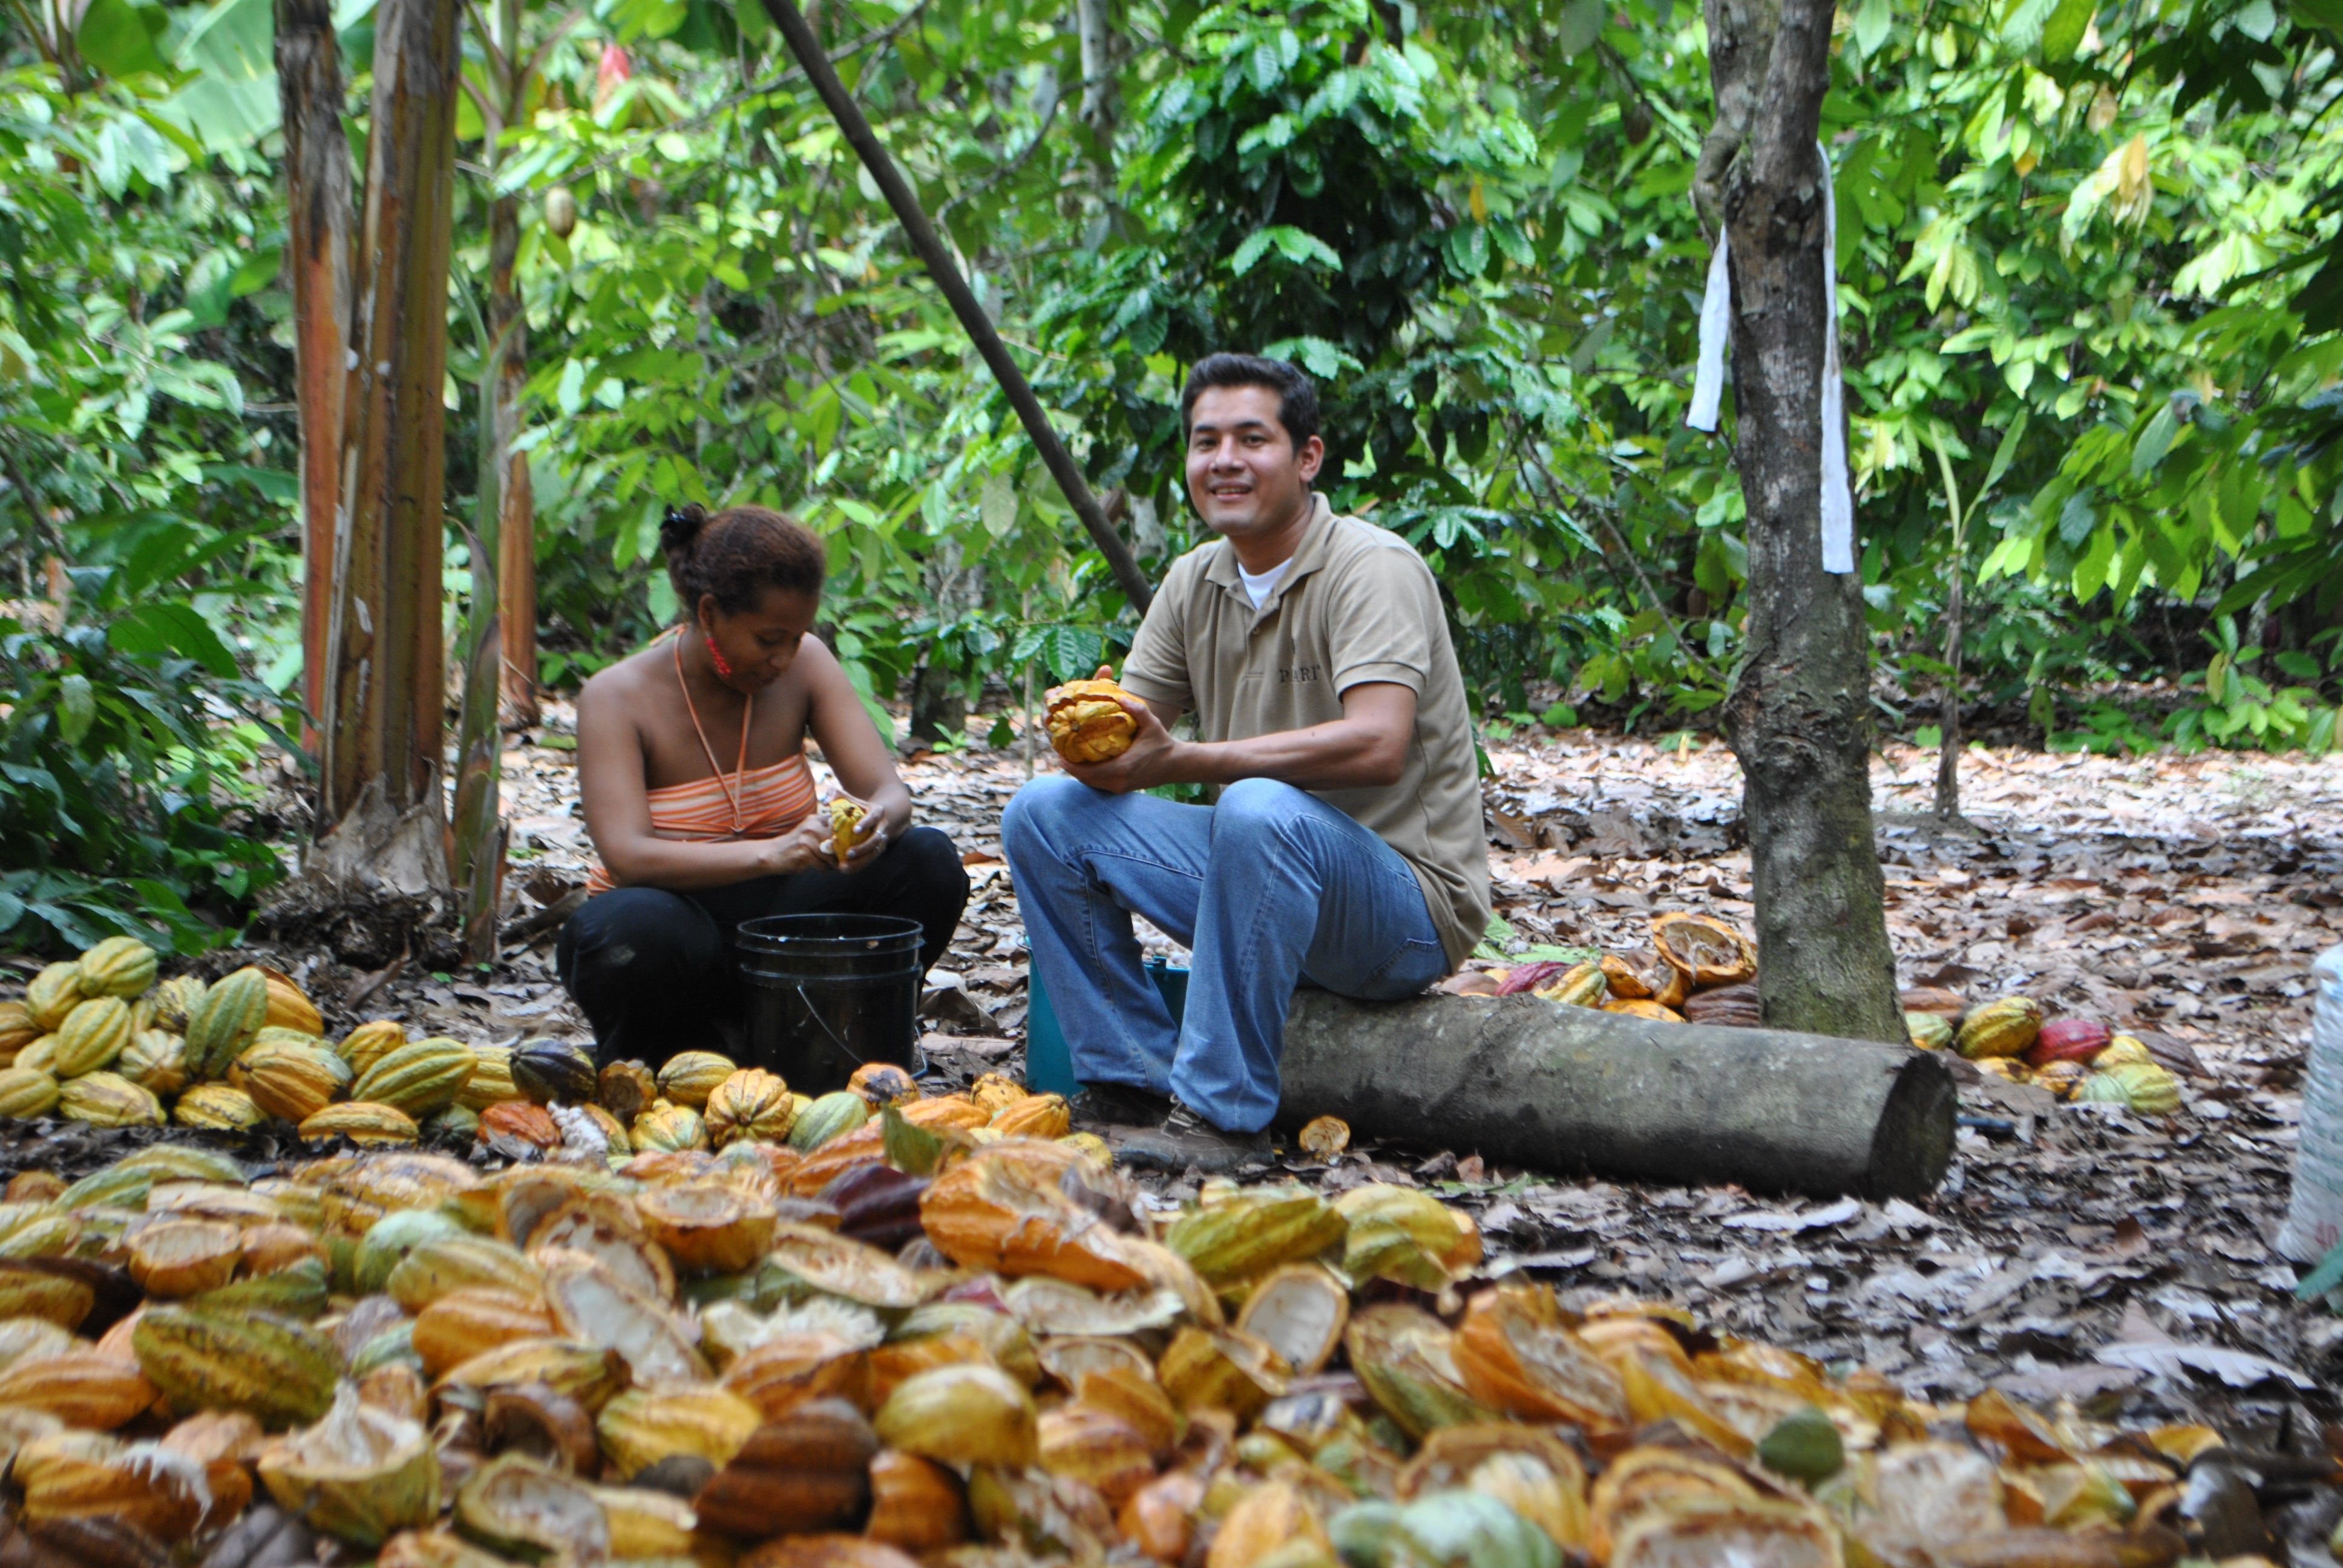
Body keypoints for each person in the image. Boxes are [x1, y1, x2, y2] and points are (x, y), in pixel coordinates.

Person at [1001, 354, 1491, 1171]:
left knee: (1258, 807)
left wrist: (1185, 757)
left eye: (1251, 439)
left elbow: (1378, 742)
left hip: (1404, 911)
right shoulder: (1195, 580)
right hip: (1260, 880)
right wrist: (1090, 740)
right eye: (1205, 442)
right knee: (1044, 815)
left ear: (1307, 458)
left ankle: (1222, 1121)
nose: (1223, 460)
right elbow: (1134, 735)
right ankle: (1132, 1080)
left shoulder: (1373, 567)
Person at [559, 503, 969, 1069]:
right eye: (769, 639)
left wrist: (878, 822)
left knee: (928, 859)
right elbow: (627, 857)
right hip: (679, 929)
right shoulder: (616, 697)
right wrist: (769, 854)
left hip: (784, 928)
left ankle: (836, 1031)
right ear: (709, 613)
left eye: (798, 638)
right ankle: (679, 1055)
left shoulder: (806, 667)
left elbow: (888, 792)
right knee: (627, 931)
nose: (784, 658)